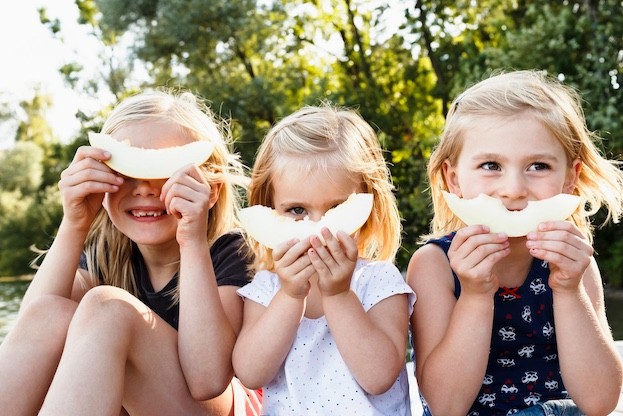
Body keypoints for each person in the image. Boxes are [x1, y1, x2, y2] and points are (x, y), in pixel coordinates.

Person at [0, 89, 262, 415]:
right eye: (126, 172)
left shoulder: (231, 250)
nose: (144, 188)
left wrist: (192, 241)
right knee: (55, 312)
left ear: (209, 192)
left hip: (215, 407)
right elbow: (35, 328)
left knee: (108, 308)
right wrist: (74, 224)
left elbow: (209, 380)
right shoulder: (108, 253)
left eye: (165, 171)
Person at [407, 70, 623, 415]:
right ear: (454, 179)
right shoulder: (434, 266)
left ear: (570, 178)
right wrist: (475, 295)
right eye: (491, 165)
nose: (513, 189)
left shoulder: (573, 262)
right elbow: (445, 406)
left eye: (538, 166)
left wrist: (569, 291)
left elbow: (600, 402)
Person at [232, 105, 416, 415]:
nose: (318, 229)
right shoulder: (266, 288)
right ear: (269, 207)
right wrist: (290, 295)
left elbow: (379, 377)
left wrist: (339, 295)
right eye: (297, 211)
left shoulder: (380, 281)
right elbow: (251, 374)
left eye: (336, 210)